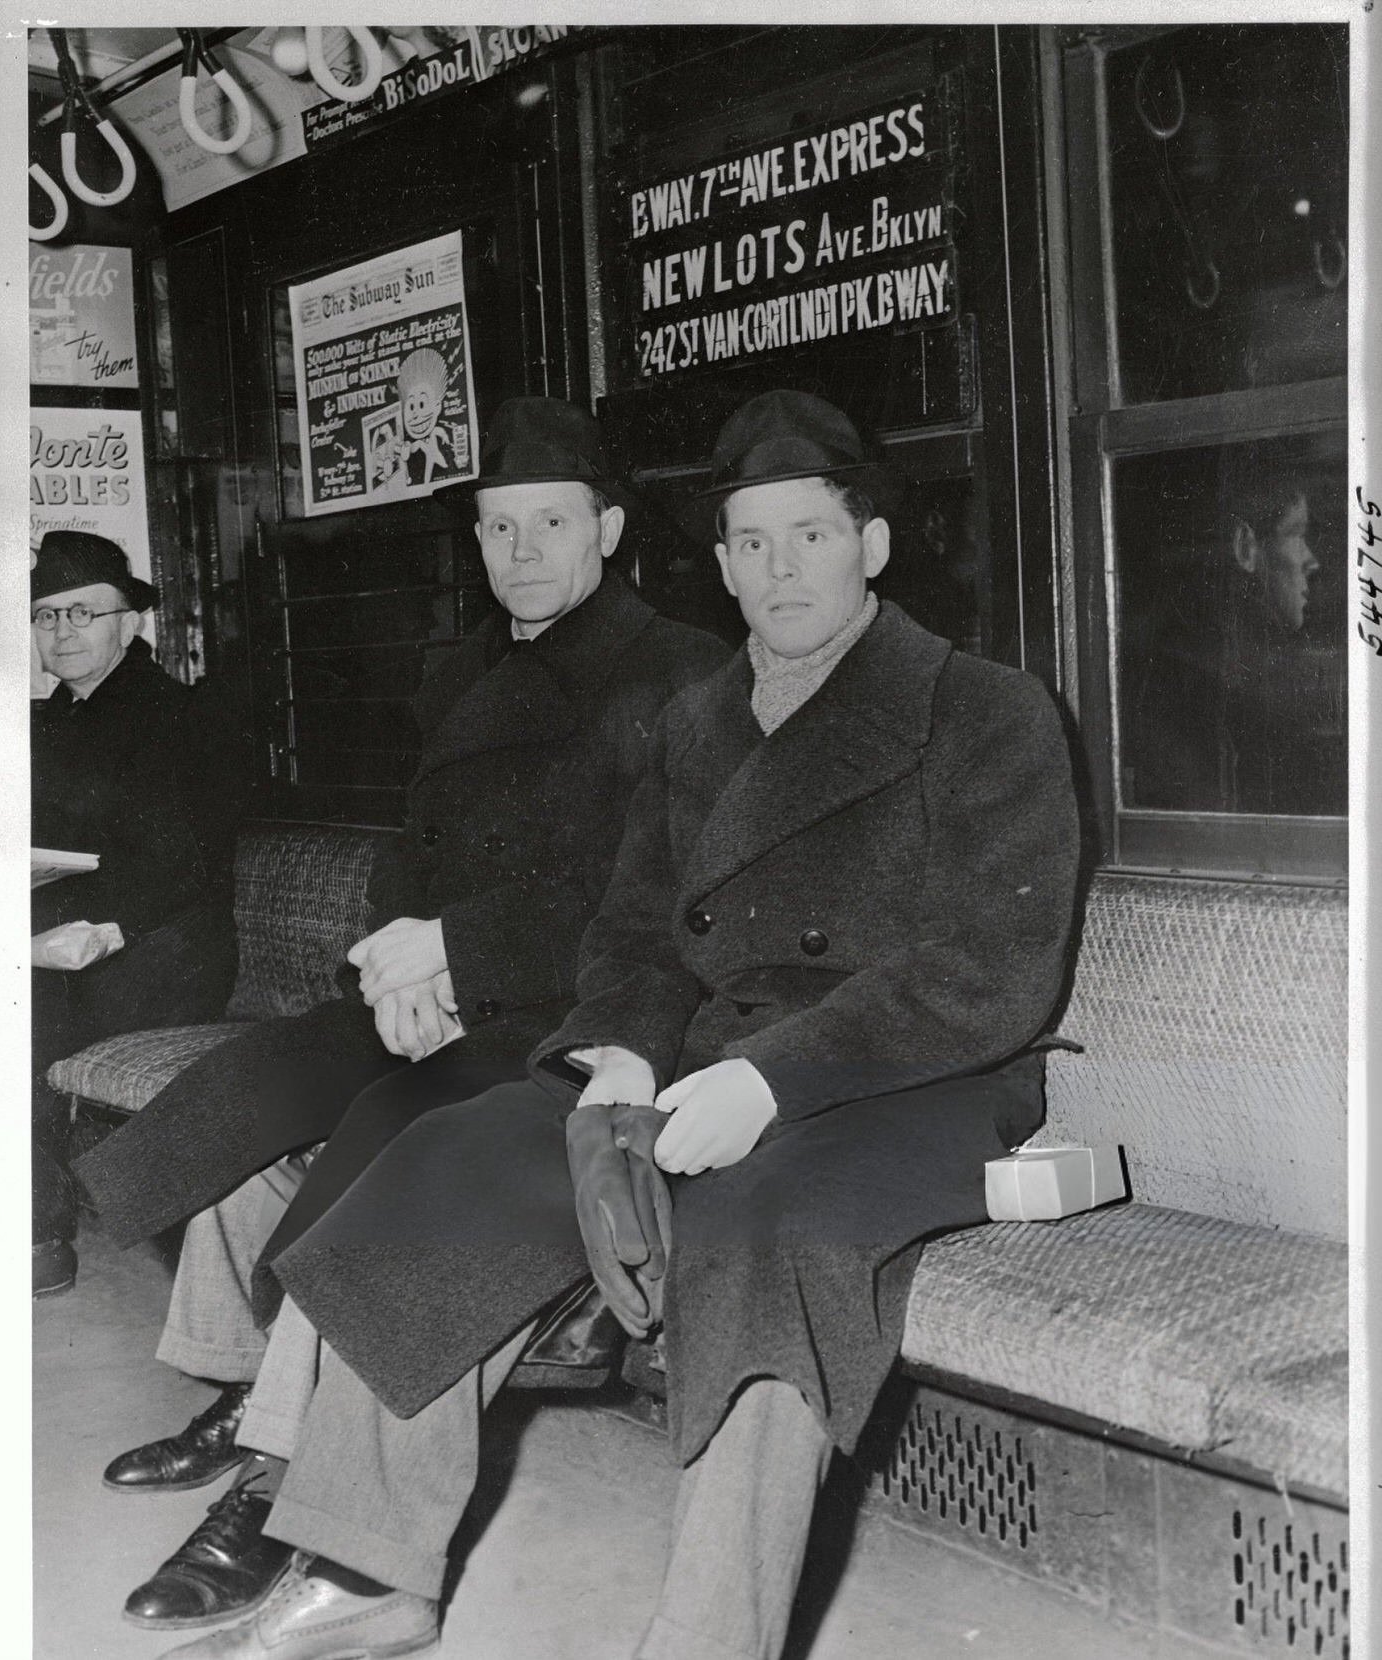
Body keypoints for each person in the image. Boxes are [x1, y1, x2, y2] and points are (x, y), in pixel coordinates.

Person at [149, 389, 1082, 1660]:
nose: (777, 569)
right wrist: (624, 1047)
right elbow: (634, 934)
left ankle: (707, 1638)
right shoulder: (696, 722)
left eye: (807, 536)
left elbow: (993, 964)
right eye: (749, 545)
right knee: (449, 1160)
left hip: (904, 1074)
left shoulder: (984, 709)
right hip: (690, 1061)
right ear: (717, 562)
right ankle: (370, 1567)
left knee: (764, 1239)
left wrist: (769, 1082)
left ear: (869, 545)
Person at [74, 396, 728, 1632]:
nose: (519, 550)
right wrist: (392, 958)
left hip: (565, 1008)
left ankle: (274, 1473)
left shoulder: (681, 673)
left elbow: (648, 895)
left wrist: (456, 950)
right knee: (247, 1089)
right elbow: (412, 847)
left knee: (380, 1126)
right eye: (495, 528)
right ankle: (240, 1391)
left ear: (608, 528)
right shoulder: (463, 667)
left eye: (548, 522)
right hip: (438, 985)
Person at [31, 531, 244, 1298]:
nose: (62, 631)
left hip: (161, 941)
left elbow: (189, 857)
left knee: (19, 1015)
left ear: (131, 624)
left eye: (82, 613)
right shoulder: (45, 721)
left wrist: (104, 927)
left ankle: (39, 1232)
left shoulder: (178, 716)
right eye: (47, 615)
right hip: (65, 937)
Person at [1123, 458, 1342, 815]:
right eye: (1296, 533)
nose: (1311, 560)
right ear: (1245, 547)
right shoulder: (1192, 683)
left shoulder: (1252, 671)